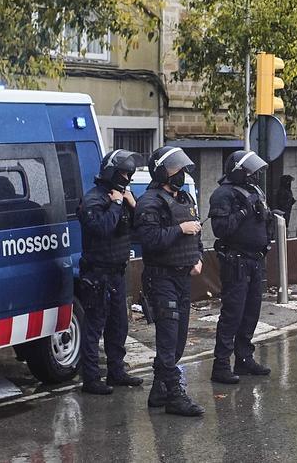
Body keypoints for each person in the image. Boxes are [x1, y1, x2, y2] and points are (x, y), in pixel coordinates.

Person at [135, 145, 205, 417]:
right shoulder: (149, 202)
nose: (181, 173)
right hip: (161, 277)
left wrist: (197, 258)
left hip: (182, 276)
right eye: (176, 169)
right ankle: (175, 396)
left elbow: (196, 231)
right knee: (168, 338)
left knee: (177, 341)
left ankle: (159, 391)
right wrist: (179, 229)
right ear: (162, 172)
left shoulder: (184, 198)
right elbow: (150, 241)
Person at [77, 149, 145, 395]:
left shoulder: (124, 197)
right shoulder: (94, 199)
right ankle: (91, 378)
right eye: (124, 172)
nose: (127, 177)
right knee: (94, 326)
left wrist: (132, 204)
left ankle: (117, 371)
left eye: (130, 173)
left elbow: (140, 228)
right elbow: (102, 228)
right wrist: (117, 203)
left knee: (119, 325)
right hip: (97, 273)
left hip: (117, 272)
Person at [208, 150, 274, 385]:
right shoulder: (223, 194)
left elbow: (265, 219)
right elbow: (221, 228)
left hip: (255, 260)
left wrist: (268, 241)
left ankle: (244, 358)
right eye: (249, 171)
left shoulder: (255, 191)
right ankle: (221, 364)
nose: (254, 175)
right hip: (236, 260)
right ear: (237, 171)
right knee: (232, 314)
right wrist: (244, 210)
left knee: (251, 311)